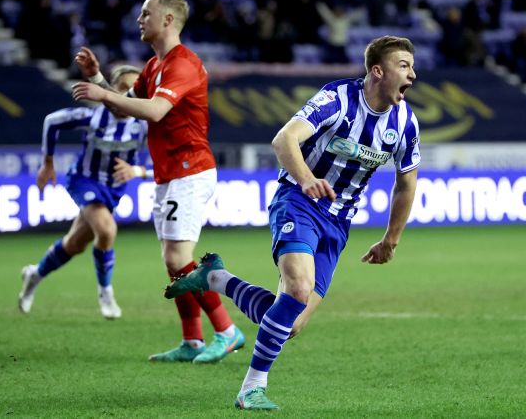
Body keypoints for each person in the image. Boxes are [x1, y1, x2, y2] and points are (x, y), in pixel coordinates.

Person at [164, 35, 420, 410]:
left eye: (413, 66)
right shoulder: (336, 100)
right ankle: (251, 389)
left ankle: (216, 278)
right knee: (298, 288)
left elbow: (406, 183)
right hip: (298, 202)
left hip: (338, 223)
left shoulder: (405, 123)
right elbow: (284, 139)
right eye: (404, 66)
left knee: (291, 323)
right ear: (377, 71)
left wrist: (390, 240)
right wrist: (306, 180)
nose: (412, 74)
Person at [72, 0, 245, 363]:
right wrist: (99, 80)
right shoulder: (154, 66)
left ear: (168, 20)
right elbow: (124, 111)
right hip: (169, 174)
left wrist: (102, 93)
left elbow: (154, 110)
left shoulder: (184, 64)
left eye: (146, 13)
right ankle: (192, 341)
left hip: (190, 170)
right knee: (172, 261)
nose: (139, 19)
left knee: (180, 256)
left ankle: (227, 331)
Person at [18, 65, 146, 319]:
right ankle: (105, 291)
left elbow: (160, 163)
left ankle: (35, 274)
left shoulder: (143, 125)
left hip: (112, 189)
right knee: (107, 230)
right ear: (110, 91)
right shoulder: (93, 117)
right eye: (122, 89)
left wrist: (137, 171)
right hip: (84, 180)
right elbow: (52, 121)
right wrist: (48, 163)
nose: (128, 97)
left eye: (134, 91)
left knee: (75, 244)